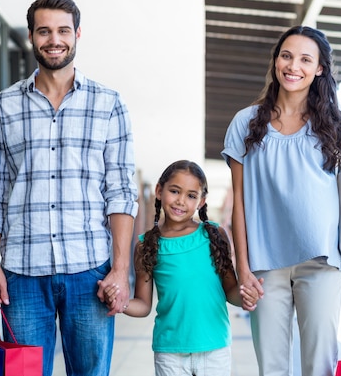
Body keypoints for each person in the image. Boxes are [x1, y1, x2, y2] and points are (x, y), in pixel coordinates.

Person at [0, 0, 138, 376]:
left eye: (63, 30)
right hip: (21, 271)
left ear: (78, 34)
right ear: (32, 36)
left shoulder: (109, 104)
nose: (55, 39)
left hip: (90, 271)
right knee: (22, 374)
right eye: (44, 31)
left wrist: (119, 269)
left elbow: (120, 192)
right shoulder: (3, 106)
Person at [221, 25, 341, 376]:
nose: (293, 65)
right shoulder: (245, 123)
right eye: (286, 55)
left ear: (319, 69)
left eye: (305, 59)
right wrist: (244, 269)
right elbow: (240, 203)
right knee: (273, 368)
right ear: (276, 61)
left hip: (323, 262)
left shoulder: (339, 128)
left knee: (319, 368)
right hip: (265, 268)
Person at [104, 160, 261, 376]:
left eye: (191, 195)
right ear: (159, 190)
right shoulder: (146, 245)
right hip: (169, 353)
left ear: (201, 201)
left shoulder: (215, 236)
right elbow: (143, 304)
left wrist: (245, 296)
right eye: (175, 191)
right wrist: (120, 303)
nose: (181, 201)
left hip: (214, 349)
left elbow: (230, 291)